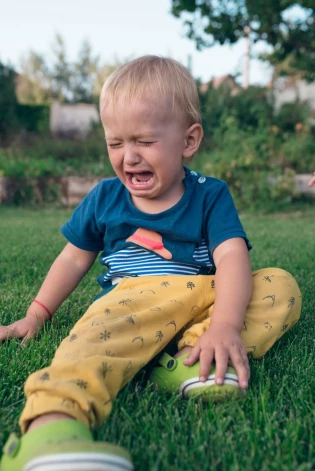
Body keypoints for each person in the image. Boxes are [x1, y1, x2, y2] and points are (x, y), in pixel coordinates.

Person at [0, 56, 302, 471]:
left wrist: (225, 325)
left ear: (188, 141)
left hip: (201, 302)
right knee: (89, 343)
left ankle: (192, 360)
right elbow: (73, 258)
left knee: (278, 285)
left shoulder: (209, 194)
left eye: (144, 141)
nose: (129, 156)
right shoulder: (106, 198)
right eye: (116, 143)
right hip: (131, 304)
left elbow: (232, 255)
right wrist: (36, 313)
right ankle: (50, 429)